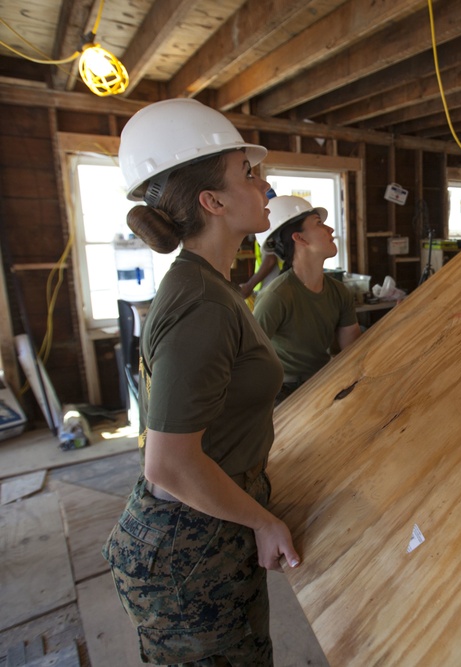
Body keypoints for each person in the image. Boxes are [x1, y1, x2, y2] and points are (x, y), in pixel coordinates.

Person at [102, 98, 301, 666]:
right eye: (250, 173)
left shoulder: (208, 285)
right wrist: (262, 521)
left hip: (209, 524)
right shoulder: (203, 303)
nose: (267, 185)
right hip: (191, 548)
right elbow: (167, 463)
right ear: (212, 201)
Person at [253, 195, 361, 403]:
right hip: (283, 395)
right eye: (319, 223)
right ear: (300, 238)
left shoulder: (339, 292)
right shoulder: (276, 296)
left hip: (323, 383)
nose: (330, 230)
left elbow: (354, 349)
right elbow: (247, 359)